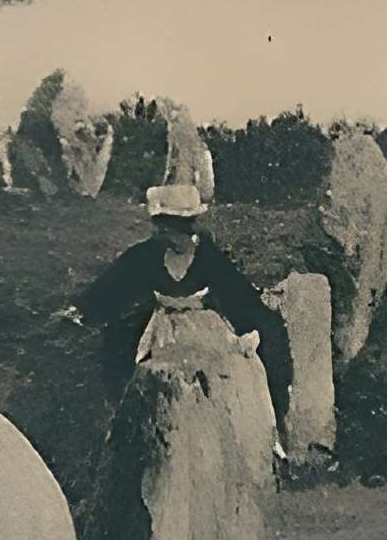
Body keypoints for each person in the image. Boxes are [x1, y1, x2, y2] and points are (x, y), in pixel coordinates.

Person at [58, 182, 295, 438]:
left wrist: (252, 330)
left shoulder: (209, 259)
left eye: (174, 228)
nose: (165, 234)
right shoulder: (147, 255)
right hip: (161, 332)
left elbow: (240, 296)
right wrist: (82, 309)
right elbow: (114, 284)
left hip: (204, 332)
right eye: (163, 227)